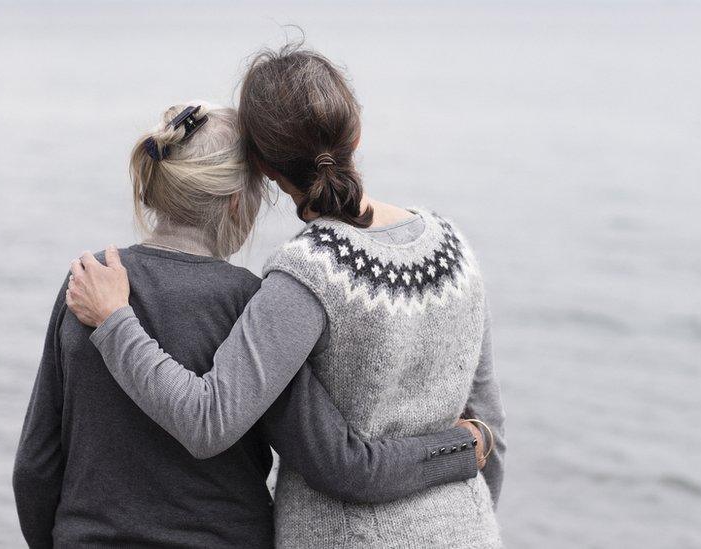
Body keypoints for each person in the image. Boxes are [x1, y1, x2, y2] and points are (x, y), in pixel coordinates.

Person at [67, 46, 507, 548]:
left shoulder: (308, 273)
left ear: (263, 167)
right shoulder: (453, 249)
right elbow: (491, 430)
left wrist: (115, 321)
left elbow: (209, 420)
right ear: (356, 131)